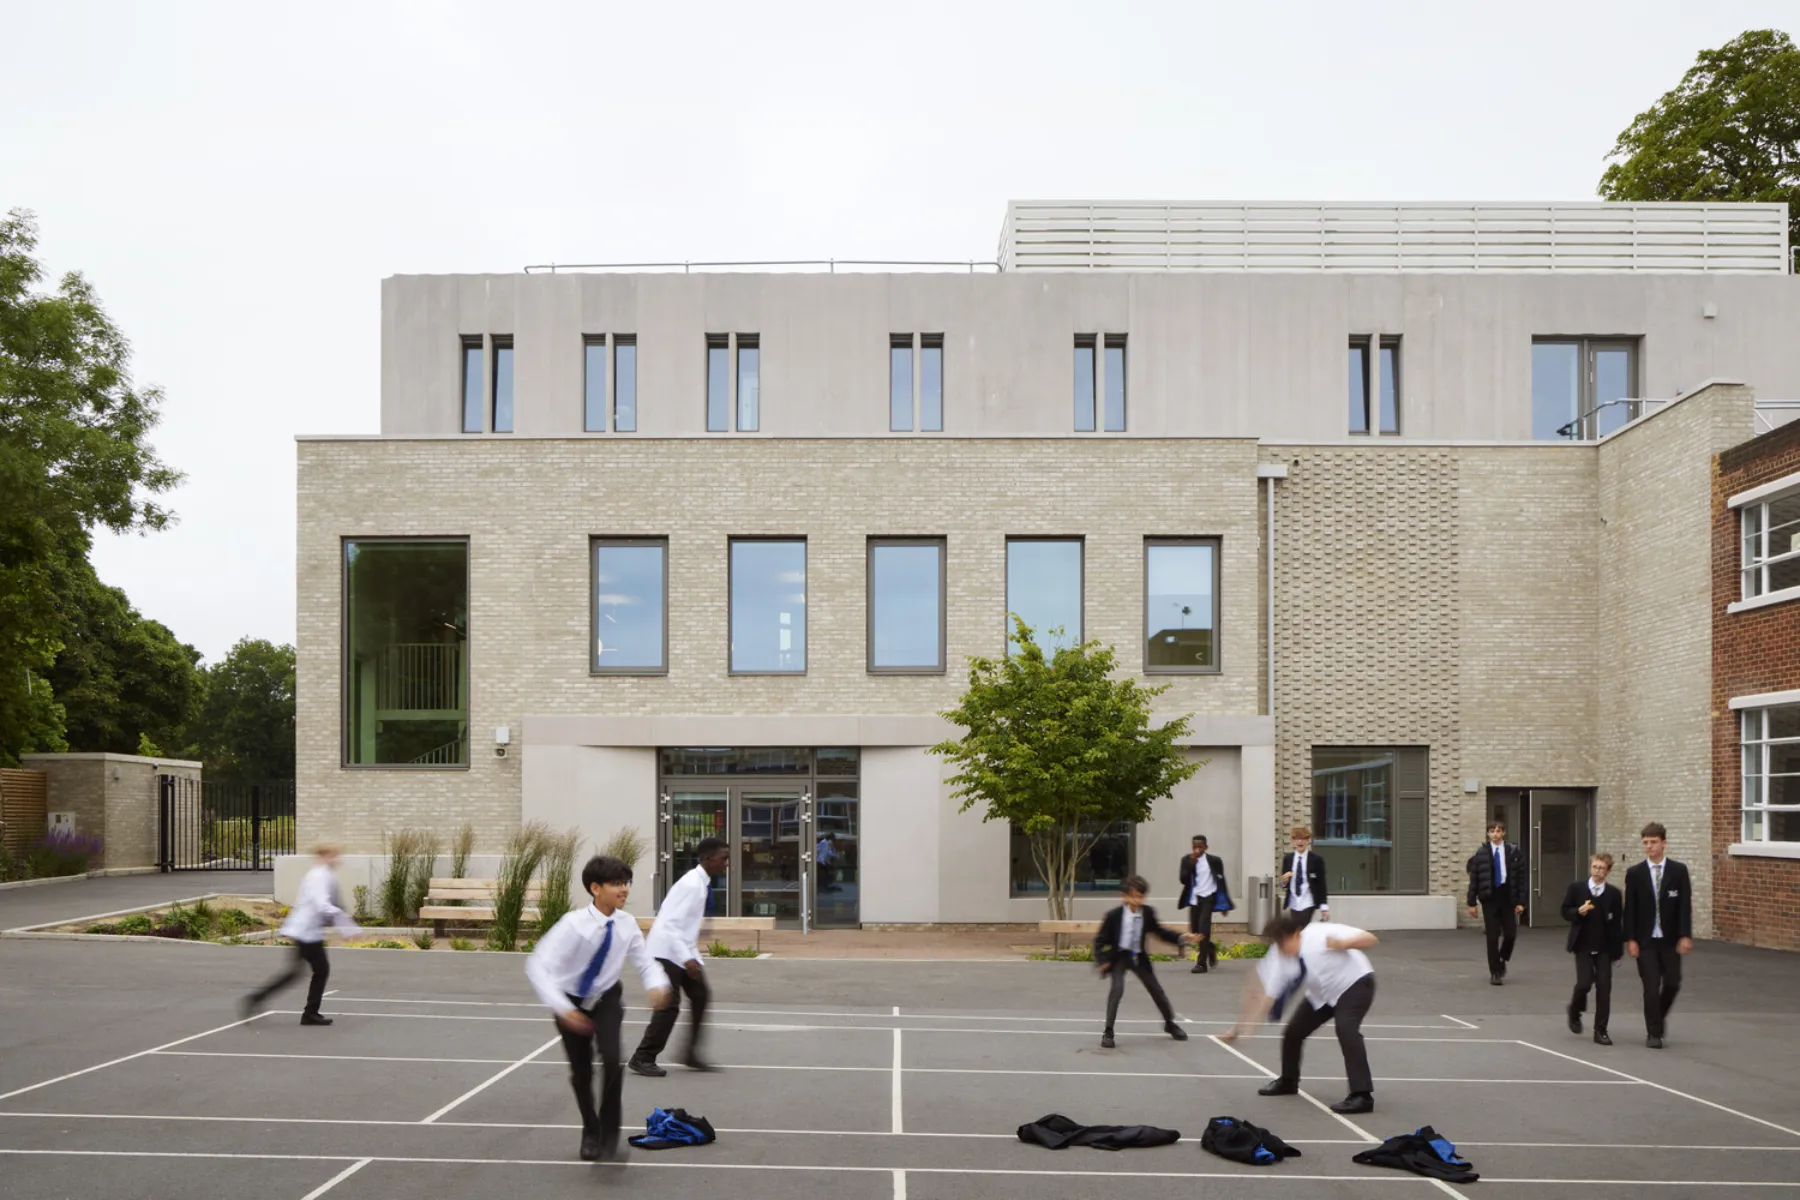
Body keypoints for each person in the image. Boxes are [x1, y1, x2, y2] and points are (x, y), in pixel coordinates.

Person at [526, 854, 671, 1162]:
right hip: (570, 1001)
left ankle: (608, 1134)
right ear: (595, 888)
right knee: (581, 1074)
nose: (625, 890)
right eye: (617, 883)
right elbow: (538, 965)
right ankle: (589, 1130)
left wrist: (658, 985)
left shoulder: (626, 924)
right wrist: (564, 1009)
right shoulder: (573, 925)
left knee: (613, 1061)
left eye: (626, 883)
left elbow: (645, 962)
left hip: (605, 998)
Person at [1221, 910, 1379, 1115]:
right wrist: (1238, 1029)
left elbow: (1370, 939)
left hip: (1355, 983)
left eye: (1284, 942)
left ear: (1296, 933)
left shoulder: (1320, 933)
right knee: (1293, 1032)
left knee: (1346, 1029)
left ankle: (1362, 1095)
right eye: (1278, 944)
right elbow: (1263, 995)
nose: (1282, 949)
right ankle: (1288, 1081)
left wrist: (1342, 944)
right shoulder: (1280, 955)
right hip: (1322, 994)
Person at [630, 837, 729, 1076]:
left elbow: (685, 927)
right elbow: (671, 925)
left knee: (700, 995)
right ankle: (642, 1057)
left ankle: (690, 1053)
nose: (726, 863)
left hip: (680, 951)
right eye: (723, 858)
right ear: (707, 858)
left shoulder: (700, 883)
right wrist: (687, 959)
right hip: (665, 952)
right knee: (669, 1006)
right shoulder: (692, 885)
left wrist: (692, 957)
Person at [242, 843, 358, 1025]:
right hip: (305, 931)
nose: (336, 859)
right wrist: (348, 926)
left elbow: (331, 904)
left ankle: (259, 998)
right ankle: (309, 1013)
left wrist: (343, 923)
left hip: (306, 930)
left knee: (299, 972)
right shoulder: (319, 876)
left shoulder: (323, 875)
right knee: (320, 970)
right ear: (322, 856)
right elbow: (323, 904)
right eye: (332, 855)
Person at [1094, 874, 1196, 1049]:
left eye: (1142, 896)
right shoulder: (1113, 916)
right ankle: (1108, 1031)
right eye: (1135, 896)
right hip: (1119, 956)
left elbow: (1160, 932)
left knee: (1157, 991)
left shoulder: (1148, 913)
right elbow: (1099, 941)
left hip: (1139, 957)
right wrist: (1102, 960)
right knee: (1117, 990)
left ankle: (1169, 1024)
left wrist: (1182, 937)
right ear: (1124, 896)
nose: (1139, 900)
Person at [1622, 822, 1692, 1049]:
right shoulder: (1635, 873)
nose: (1649, 847)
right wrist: (1630, 938)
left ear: (1664, 843)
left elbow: (1684, 906)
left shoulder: (1678, 871)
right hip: (1646, 941)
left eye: (1653, 842)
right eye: (1645, 843)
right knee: (1651, 986)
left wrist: (1685, 935)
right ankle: (1653, 1033)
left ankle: (1658, 1017)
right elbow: (1630, 908)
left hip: (1670, 940)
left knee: (1672, 982)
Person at [1561, 851, 1624, 1046]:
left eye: (1602, 868)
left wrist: (1618, 951)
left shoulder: (1613, 894)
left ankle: (1601, 1030)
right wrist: (1577, 912)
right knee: (1584, 983)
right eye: (1595, 867)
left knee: (1604, 987)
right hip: (1583, 945)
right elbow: (1564, 910)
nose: (1597, 871)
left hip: (1604, 947)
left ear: (1608, 871)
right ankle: (1574, 1010)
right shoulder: (1577, 889)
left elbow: (1616, 924)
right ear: (1590, 868)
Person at [1465, 820, 1525, 985]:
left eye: (1498, 831)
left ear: (1504, 833)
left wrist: (1521, 901)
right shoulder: (1481, 853)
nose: (1495, 834)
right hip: (1489, 897)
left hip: (1507, 896)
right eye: (1492, 831)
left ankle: (1503, 957)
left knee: (1511, 934)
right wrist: (1471, 902)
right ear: (1488, 834)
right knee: (1492, 936)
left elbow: (1521, 879)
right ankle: (1495, 972)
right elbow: (1475, 879)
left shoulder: (1513, 852)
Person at [1178, 834, 1227, 973]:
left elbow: (1221, 882)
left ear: (1206, 847)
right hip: (1194, 899)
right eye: (1194, 846)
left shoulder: (1215, 861)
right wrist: (1190, 865)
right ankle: (1210, 948)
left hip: (1208, 898)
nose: (1197, 849)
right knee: (1195, 932)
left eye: (1200, 846)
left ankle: (1201, 963)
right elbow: (1183, 879)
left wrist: (1224, 904)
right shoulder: (1186, 860)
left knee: (1204, 929)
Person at [1279, 826, 1328, 926]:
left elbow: (1321, 883)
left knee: (1302, 927)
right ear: (1292, 841)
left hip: (1308, 900)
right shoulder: (1288, 859)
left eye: (1303, 839)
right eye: (1297, 839)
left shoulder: (1316, 859)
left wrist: (1324, 907)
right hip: (1293, 901)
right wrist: (1283, 882)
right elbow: (1284, 883)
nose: (1300, 842)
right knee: (1297, 929)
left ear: (1308, 840)